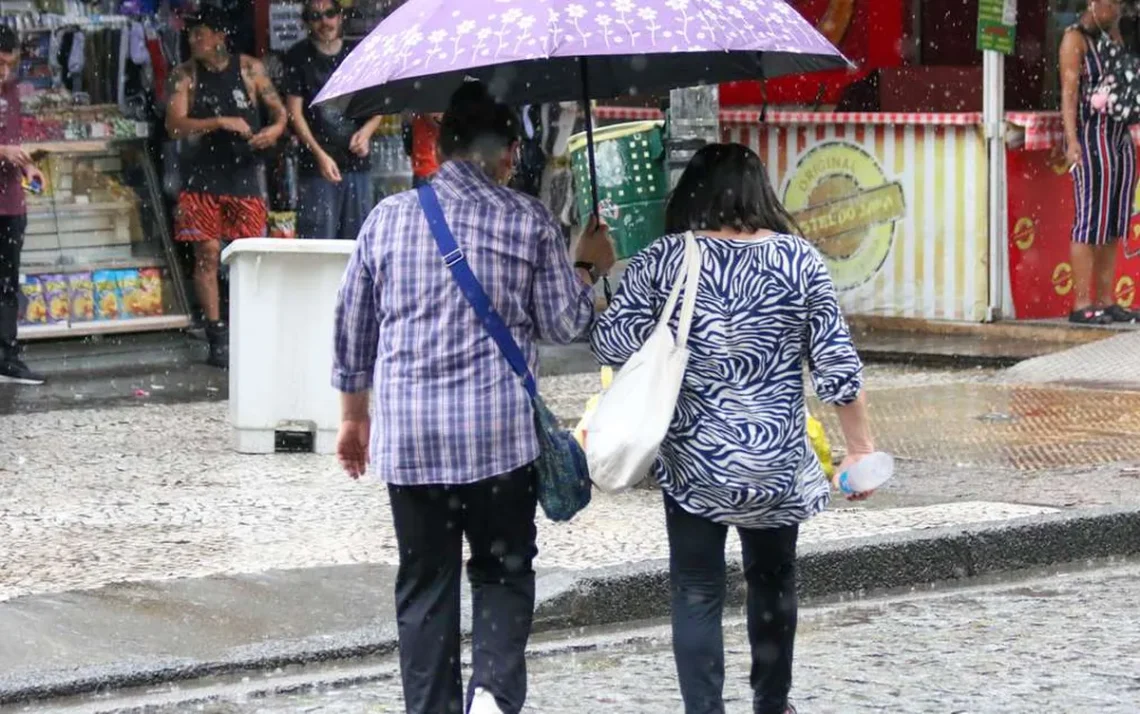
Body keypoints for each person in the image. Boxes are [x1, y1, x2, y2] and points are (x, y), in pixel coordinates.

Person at [332, 82, 614, 714]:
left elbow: (352, 327)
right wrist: (588, 266)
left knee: (426, 586)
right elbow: (566, 324)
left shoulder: (387, 219)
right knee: (502, 572)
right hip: (497, 442)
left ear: (441, 147)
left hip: (411, 443)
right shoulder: (527, 219)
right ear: (508, 154)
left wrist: (354, 418)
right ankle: (489, 689)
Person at [590, 144, 876, 714]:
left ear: (692, 194)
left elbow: (609, 345)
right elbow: (838, 369)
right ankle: (771, 704)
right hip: (776, 463)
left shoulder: (664, 260)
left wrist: (598, 268)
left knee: (696, 590)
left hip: (698, 466)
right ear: (758, 193)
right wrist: (860, 449)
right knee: (772, 583)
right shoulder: (800, 260)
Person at [165, 6, 287, 367]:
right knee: (206, 253)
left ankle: (247, 327)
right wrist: (218, 121)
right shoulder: (184, 75)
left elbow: (280, 112)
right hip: (201, 176)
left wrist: (274, 130)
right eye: (190, 35)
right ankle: (217, 335)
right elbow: (173, 126)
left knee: (248, 256)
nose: (193, 41)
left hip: (245, 174)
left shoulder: (250, 68)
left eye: (200, 34)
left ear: (220, 37)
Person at [1061, 0, 1139, 324]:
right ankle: (1082, 304)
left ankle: (1107, 299)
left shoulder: (1112, 36)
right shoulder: (1074, 39)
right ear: (1093, 3)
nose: (1116, 11)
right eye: (1112, 5)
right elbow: (1069, 91)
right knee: (1090, 220)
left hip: (1118, 139)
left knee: (1112, 222)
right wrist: (1072, 140)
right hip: (1091, 138)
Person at [283, 0, 383, 240]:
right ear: (306, 22)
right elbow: (294, 113)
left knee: (357, 244)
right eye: (315, 16)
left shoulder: (358, 53)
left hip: (357, 163)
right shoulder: (298, 56)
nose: (324, 22)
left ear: (340, 17)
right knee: (318, 245)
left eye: (329, 14)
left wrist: (367, 132)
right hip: (316, 166)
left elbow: (380, 104)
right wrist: (319, 154)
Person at [0, 25, 46, 385]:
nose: (4, 71)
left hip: (11, 202)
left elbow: (14, 141)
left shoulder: (12, 90)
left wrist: (29, 166)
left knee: (6, 283)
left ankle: (7, 354)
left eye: (9, 64)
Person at [402, 112, 440, 187]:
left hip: (426, 169)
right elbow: (435, 117)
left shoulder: (416, 108)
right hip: (428, 171)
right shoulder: (426, 108)